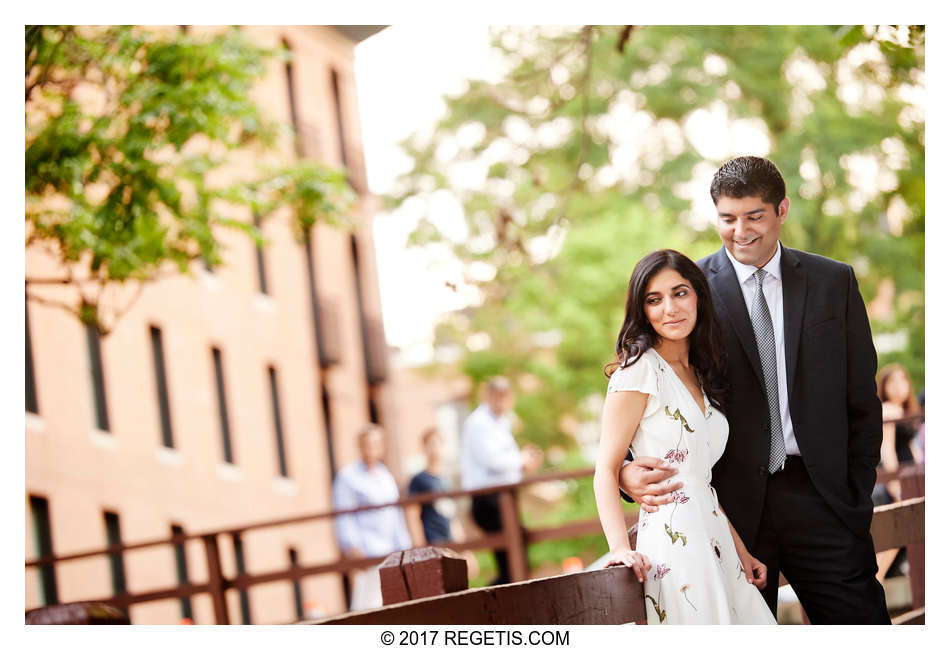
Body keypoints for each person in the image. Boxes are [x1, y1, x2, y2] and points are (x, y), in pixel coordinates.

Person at [619, 156, 890, 623]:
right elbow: (644, 382)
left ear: (781, 210)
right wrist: (626, 473)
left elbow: (862, 401)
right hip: (728, 513)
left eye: (754, 216)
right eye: (728, 219)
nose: (740, 231)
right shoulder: (689, 291)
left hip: (823, 499)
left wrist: (854, 492)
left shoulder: (834, 283)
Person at [595, 249, 775, 624]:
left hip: (717, 540)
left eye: (680, 293)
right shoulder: (638, 373)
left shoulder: (702, 372)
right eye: (654, 299)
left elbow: (698, 479)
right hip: (674, 546)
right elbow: (606, 469)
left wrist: (741, 551)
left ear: (698, 297)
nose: (669, 308)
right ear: (642, 310)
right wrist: (617, 548)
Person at [460, 377, 542, 585]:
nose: (502, 402)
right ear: (488, 396)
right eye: (498, 396)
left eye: (505, 397)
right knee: (511, 562)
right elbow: (492, 461)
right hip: (489, 499)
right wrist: (521, 461)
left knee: (516, 560)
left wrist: (522, 463)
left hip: (503, 498)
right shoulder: (478, 423)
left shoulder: (501, 422)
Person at [332, 424, 412, 611]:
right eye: (367, 444)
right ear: (359, 446)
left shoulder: (385, 476)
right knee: (368, 606)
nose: (371, 448)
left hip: (390, 550)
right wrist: (352, 546)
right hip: (367, 550)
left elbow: (395, 514)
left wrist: (405, 547)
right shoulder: (348, 477)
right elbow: (344, 514)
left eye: (376, 443)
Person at [406, 428, 479, 575]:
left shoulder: (445, 481)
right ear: (424, 447)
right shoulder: (419, 480)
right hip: (431, 542)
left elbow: (451, 517)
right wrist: (419, 549)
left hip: (449, 544)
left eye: (438, 444)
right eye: (431, 444)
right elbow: (412, 515)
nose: (435, 448)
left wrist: (466, 552)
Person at [873, 363, 921, 582]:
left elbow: (914, 449)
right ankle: (876, 582)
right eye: (893, 381)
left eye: (903, 380)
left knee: (902, 537)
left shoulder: (905, 411)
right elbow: (887, 449)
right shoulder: (888, 410)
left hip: (912, 480)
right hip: (898, 482)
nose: (899, 386)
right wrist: (895, 486)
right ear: (884, 385)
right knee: (892, 541)